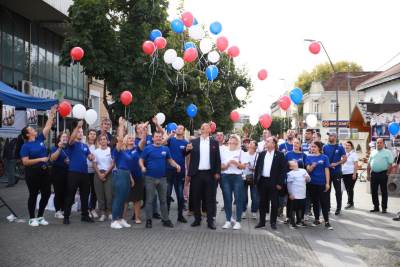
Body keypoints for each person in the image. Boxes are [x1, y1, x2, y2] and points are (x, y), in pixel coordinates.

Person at [20, 106, 56, 227]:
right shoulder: (25, 146)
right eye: (31, 128)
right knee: (33, 195)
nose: (34, 129)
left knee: (46, 194)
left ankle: (40, 216)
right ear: (28, 134)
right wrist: (40, 159)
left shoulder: (39, 139)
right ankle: (32, 218)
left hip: (44, 172)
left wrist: (51, 114)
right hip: (32, 173)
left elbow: (47, 126)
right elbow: (25, 162)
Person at [139, 131, 180, 229]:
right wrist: (142, 167)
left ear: (162, 138)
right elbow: (141, 159)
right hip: (150, 178)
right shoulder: (148, 148)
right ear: (153, 138)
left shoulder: (165, 149)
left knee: (163, 200)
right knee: (149, 200)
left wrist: (176, 165)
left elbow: (170, 160)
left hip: (162, 178)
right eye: (156, 136)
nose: (158, 138)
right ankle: (149, 220)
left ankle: (165, 219)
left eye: (160, 137)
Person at [186, 123, 221, 230]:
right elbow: (185, 154)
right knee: (196, 197)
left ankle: (210, 221)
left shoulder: (214, 143)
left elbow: (217, 160)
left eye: (204, 127)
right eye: (201, 127)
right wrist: (187, 149)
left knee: (210, 198)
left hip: (210, 174)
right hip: (197, 174)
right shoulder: (194, 142)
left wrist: (217, 172)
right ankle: (197, 219)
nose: (201, 128)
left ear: (209, 130)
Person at [63, 121, 95, 225]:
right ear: (75, 133)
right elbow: (71, 139)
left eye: (82, 132)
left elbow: (89, 157)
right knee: (70, 194)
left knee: (85, 195)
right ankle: (66, 216)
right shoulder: (71, 144)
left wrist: (91, 157)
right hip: (74, 173)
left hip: (84, 173)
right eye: (78, 132)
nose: (80, 133)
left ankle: (85, 215)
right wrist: (77, 126)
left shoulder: (84, 146)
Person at [254, 137, 286, 230]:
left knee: (275, 203)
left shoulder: (280, 155)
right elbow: (257, 168)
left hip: (274, 182)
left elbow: (283, 170)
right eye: (266, 141)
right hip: (263, 181)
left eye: (268, 141)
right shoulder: (262, 154)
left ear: (274, 144)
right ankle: (262, 222)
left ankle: (273, 222)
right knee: (262, 202)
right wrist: (256, 180)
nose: (266, 143)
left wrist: (280, 183)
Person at [110, 117, 136, 229]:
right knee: (118, 198)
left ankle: (120, 219)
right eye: (128, 137)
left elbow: (128, 167)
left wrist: (131, 178)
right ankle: (114, 220)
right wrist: (120, 125)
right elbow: (120, 139)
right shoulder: (118, 150)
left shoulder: (127, 152)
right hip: (119, 174)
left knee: (124, 198)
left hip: (126, 175)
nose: (131, 139)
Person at [164, 125, 189, 223]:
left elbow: (187, 157)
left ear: (183, 131)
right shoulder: (171, 140)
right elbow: (162, 143)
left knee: (180, 195)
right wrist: (169, 135)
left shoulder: (186, 143)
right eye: (177, 128)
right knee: (167, 195)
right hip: (169, 170)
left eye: (181, 128)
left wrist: (188, 172)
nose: (178, 129)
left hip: (180, 171)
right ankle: (166, 217)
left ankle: (180, 216)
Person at [220, 134, 246, 230]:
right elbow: (221, 166)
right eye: (230, 139)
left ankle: (238, 221)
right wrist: (226, 165)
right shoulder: (223, 151)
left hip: (237, 177)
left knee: (238, 199)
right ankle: (228, 220)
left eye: (234, 139)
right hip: (225, 176)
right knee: (227, 199)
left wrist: (236, 163)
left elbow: (243, 166)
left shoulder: (241, 152)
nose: (231, 141)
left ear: (237, 142)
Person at [306, 141, 332, 230]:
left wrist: (327, 183)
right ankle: (316, 219)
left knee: (324, 203)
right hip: (312, 184)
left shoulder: (324, 157)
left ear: (319, 148)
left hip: (322, 184)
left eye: (314, 147)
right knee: (315, 202)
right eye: (311, 147)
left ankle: (327, 221)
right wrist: (312, 167)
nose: (312, 148)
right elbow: (308, 171)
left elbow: (327, 170)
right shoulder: (308, 157)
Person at [367, 138, 394, 213]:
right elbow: (369, 164)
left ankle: (384, 208)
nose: (378, 144)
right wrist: (368, 174)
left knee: (384, 191)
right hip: (374, 174)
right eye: (377, 143)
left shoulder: (387, 152)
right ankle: (376, 207)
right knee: (374, 191)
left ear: (383, 144)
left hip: (383, 174)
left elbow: (390, 164)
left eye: (380, 142)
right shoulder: (373, 152)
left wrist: (387, 173)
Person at [323, 132, 347, 215]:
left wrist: (336, 164)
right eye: (329, 135)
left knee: (338, 191)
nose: (330, 137)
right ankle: (328, 207)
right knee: (327, 190)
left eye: (331, 135)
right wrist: (328, 165)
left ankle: (338, 208)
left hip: (336, 172)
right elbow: (322, 158)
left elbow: (345, 159)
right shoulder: (325, 147)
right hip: (327, 172)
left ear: (335, 137)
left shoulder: (340, 147)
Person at [92, 134, 114, 222]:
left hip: (108, 173)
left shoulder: (110, 150)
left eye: (105, 139)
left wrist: (105, 174)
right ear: (99, 141)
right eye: (101, 139)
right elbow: (94, 163)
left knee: (109, 195)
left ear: (107, 141)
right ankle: (103, 213)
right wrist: (99, 174)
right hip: (98, 173)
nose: (103, 141)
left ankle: (110, 212)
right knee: (100, 195)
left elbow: (113, 163)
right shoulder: (96, 151)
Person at [50, 132, 70, 219]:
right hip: (57, 172)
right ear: (59, 138)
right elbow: (53, 158)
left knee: (66, 192)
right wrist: (59, 148)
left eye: (66, 137)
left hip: (67, 172)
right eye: (63, 136)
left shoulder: (69, 149)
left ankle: (63, 209)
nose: (65, 138)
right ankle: (57, 211)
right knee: (58, 192)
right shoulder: (55, 147)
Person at [287, 160, 310, 228]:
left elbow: (309, 180)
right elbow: (289, 185)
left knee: (301, 208)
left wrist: (307, 178)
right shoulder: (290, 173)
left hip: (302, 194)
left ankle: (299, 221)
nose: (294, 162)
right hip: (295, 195)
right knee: (293, 209)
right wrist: (290, 194)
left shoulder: (303, 170)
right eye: (292, 162)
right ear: (290, 167)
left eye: (295, 161)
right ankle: (292, 222)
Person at [242, 140, 259, 220]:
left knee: (254, 196)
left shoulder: (258, 155)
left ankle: (254, 211)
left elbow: (260, 167)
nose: (250, 144)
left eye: (252, 143)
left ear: (255, 147)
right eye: (250, 143)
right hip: (244, 176)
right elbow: (240, 163)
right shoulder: (244, 154)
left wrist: (254, 168)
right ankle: (243, 211)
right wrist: (244, 165)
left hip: (254, 177)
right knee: (244, 195)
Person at [342, 141, 358, 209]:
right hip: (344, 174)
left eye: (349, 145)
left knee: (350, 189)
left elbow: (356, 164)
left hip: (351, 174)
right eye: (346, 145)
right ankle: (350, 202)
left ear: (351, 147)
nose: (347, 146)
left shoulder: (354, 154)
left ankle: (350, 203)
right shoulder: (344, 154)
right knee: (347, 189)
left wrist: (354, 174)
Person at [86, 129, 98, 219]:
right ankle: (86, 209)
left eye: (94, 134)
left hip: (94, 172)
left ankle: (92, 208)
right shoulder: (84, 145)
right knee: (86, 191)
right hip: (85, 171)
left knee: (94, 191)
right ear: (88, 135)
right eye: (91, 134)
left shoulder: (97, 146)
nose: (93, 135)